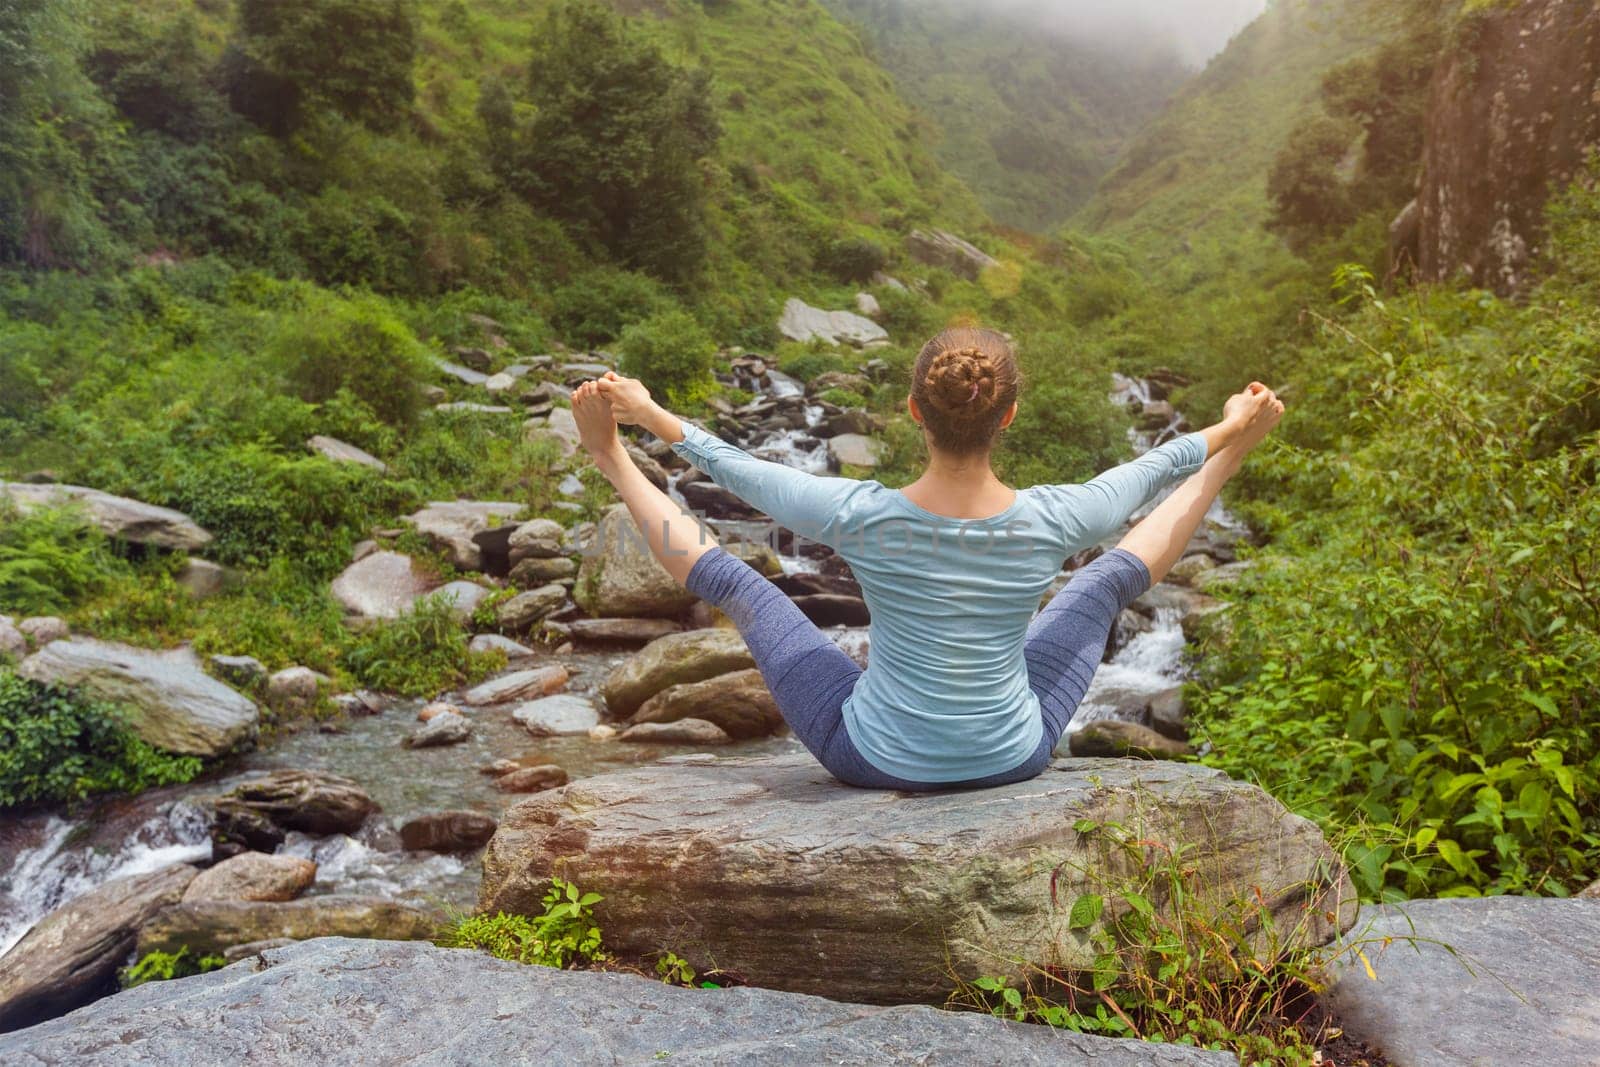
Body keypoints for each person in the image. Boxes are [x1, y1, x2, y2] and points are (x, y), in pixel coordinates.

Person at [570, 326, 1283, 791]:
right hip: (1013, 754)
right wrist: (1231, 434)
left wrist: (642, 420)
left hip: (874, 758)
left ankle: (610, 463)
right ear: (1008, 416)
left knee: (744, 588)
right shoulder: (1060, 515)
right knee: (1106, 581)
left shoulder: (860, 514)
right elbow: (1162, 464)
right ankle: (1234, 468)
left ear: (915, 410)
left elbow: (739, 471)